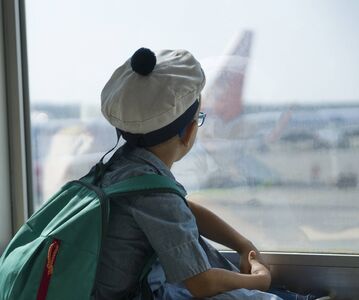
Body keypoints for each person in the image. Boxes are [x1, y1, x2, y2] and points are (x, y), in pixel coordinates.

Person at [95, 47, 329, 300]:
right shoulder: (152, 192)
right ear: (189, 132)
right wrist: (258, 281)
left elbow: (182, 210)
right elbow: (202, 283)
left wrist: (241, 244)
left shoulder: (123, 167)